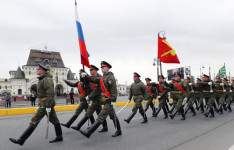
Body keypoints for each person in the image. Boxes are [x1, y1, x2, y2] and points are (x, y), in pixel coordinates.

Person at [9, 63, 63, 146]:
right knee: (55, 120)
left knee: (34, 120)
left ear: (42, 71)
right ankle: (59, 136)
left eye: (38, 69)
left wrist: (48, 106)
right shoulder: (42, 79)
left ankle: (21, 139)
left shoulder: (46, 80)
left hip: (45, 105)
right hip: (44, 103)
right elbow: (43, 95)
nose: (36, 70)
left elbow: (50, 94)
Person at [80, 61, 122, 138]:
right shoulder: (102, 78)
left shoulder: (110, 77)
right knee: (113, 116)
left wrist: (113, 101)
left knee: (101, 116)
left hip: (109, 100)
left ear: (107, 68)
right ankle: (119, 131)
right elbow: (94, 80)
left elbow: (113, 90)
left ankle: (89, 132)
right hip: (105, 99)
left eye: (103, 67)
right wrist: (86, 76)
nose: (102, 69)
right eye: (101, 68)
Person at [71, 65, 108, 132]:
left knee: (89, 112)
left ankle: (78, 126)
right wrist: (83, 77)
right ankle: (105, 127)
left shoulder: (99, 78)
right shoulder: (90, 78)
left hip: (98, 98)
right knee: (100, 113)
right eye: (90, 70)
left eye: (92, 70)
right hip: (93, 98)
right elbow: (84, 82)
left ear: (95, 70)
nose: (90, 71)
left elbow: (97, 90)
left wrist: (89, 97)